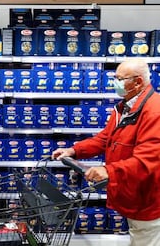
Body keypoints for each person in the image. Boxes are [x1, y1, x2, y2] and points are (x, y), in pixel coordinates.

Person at [52, 58, 160, 246]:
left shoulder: (154, 111)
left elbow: (148, 160)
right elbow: (105, 139)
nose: (114, 83)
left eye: (120, 79)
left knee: (146, 238)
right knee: (139, 235)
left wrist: (109, 171)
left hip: (149, 199)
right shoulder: (125, 107)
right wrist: (74, 150)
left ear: (138, 82)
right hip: (132, 193)